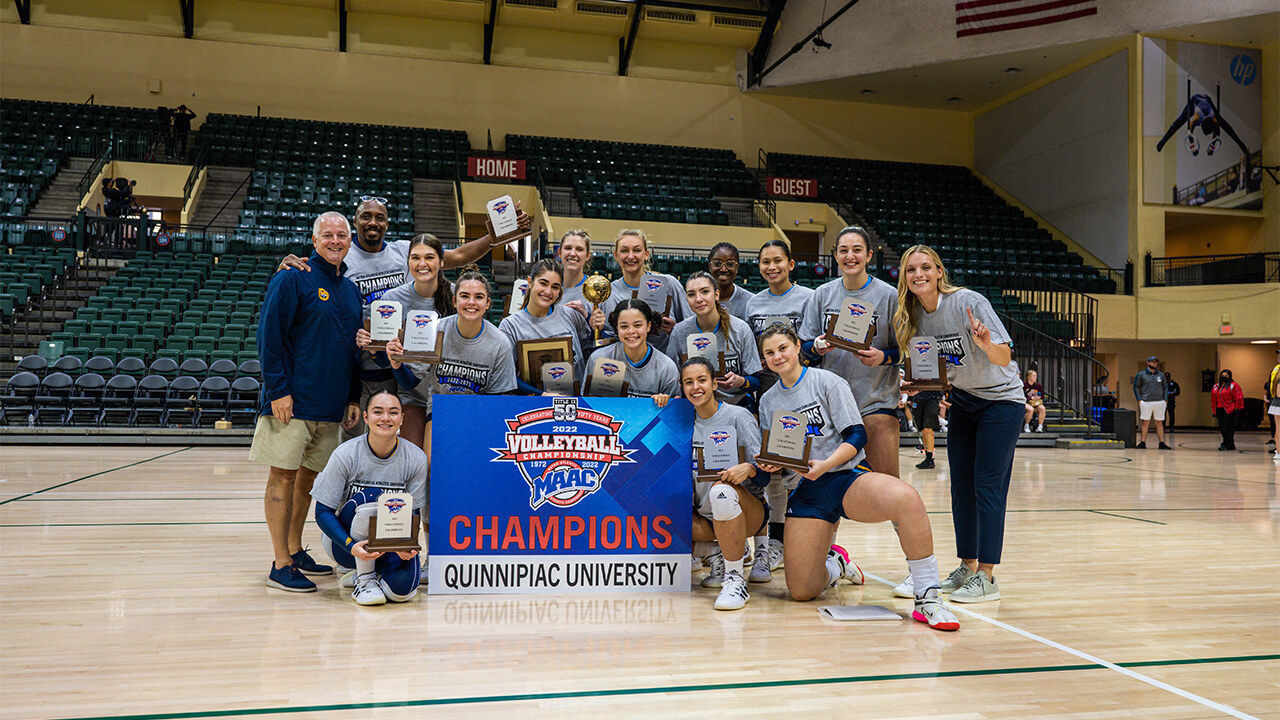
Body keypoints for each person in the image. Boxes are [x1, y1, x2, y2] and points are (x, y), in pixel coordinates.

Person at [755, 325, 958, 631]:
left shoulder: (827, 382)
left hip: (845, 477)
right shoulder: (768, 400)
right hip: (806, 491)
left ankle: (928, 596)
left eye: (782, 347)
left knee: (906, 498)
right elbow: (780, 454)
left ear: (797, 346)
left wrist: (826, 464)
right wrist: (770, 465)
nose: (777, 356)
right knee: (802, 591)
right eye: (769, 352)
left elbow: (857, 434)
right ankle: (836, 564)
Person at [278, 197, 527, 437]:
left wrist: (498, 234)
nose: (372, 222)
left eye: (379, 217)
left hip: (396, 371)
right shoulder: (343, 254)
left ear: (388, 223)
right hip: (356, 364)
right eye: (365, 217)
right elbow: (316, 270)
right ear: (355, 222)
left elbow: (460, 256)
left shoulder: (404, 251)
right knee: (348, 445)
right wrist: (292, 263)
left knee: (395, 446)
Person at [894, 245, 1022, 604]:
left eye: (925, 267)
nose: (918, 274)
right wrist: (918, 384)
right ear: (904, 278)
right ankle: (967, 566)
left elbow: (1005, 356)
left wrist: (985, 344)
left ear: (938, 271)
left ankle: (987, 575)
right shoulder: (915, 316)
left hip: (1001, 401)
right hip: (965, 400)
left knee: (987, 487)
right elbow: (940, 372)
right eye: (910, 270)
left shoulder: (968, 301)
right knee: (961, 488)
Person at [250, 212, 363, 593]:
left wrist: (351, 397)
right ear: (314, 241)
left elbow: (350, 350)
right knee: (282, 475)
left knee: (309, 480)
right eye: (327, 235)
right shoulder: (291, 277)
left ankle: (296, 551)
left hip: (330, 406)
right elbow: (269, 338)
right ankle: (280, 563)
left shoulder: (349, 289)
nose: (335, 241)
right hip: (291, 403)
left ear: (350, 241)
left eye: (341, 235)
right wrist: (278, 390)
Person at [801, 226, 901, 479]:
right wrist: (816, 346)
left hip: (875, 403)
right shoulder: (822, 295)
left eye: (857, 250)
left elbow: (906, 350)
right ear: (835, 256)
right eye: (844, 251)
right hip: (832, 408)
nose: (850, 256)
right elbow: (803, 351)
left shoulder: (889, 296)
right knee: (831, 491)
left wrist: (883, 357)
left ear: (868, 255)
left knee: (889, 487)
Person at [311, 391, 428, 605]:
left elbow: (413, 513)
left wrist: (406, 546)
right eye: (378, 412)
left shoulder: (416, 458)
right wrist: (350, 546)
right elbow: (322, 512)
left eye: (393, 413)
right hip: (346, 543)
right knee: (375, 497)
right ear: (366, 417)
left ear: (402, 418)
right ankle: (363, 578)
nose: (385, 418)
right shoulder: (345, 454)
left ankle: (372, 574)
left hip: (390, 542)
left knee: (401, 593)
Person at [745, 239, 814, 569]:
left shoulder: (808, 299)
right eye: (764, 261)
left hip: (801, 395)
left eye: (777, 260)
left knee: (801, 471)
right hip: (768, 396)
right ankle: (776, 542)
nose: (771, 267)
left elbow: (811, 346)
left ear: (791, 263)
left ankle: (812, 541)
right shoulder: (753, 303)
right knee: (773, 470)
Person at [682, 357, 769, 609]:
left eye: (701, 380)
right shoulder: (683, 420)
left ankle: (735, 579)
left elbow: (764, 478)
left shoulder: (738, 416)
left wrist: (750, 469)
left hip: (747, 512)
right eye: (688, 382)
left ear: (713, 383)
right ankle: (715, 552)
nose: (695, 387)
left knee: (721, 491)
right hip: (704, 518)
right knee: (658, 518)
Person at [373, 269, 516, 400]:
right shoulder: (435, 329)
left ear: (488, 303)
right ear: (454, 301)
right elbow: (409, 383)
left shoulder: (500, 342)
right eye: (465, 296)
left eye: (479, 297)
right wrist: (396, 363)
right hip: (440, 409)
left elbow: (499, 398)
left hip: (478, 411)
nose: (471, 302)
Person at [372, 234, 454, 452]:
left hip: (449, 393)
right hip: (412, 393)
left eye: (429, 257)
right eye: (415, 258)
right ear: (408, 262)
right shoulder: (391, 300)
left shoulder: (457, 295)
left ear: (442, 261)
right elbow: (382, 360)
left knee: (445, 463)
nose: (422, 264)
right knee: (416, 462)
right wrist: (374, 348)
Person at [666, 271, 760, 409]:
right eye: (691, 294)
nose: (698, 299)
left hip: (735, 404)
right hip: (695, 405)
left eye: (704, 292)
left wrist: (739, 381)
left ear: (716, 295)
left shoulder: (740, 329)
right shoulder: (679, 332)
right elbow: (672, 381)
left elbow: (755, 381)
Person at [498, 259, 589, 394]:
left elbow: (588, 351)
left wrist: (593, 324)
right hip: (535, 405)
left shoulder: (571, 315)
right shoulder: (510, 326)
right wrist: (541, 395)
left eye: (555, 287)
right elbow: (508, 374)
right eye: (543, 283)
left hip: (577, 401)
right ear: (530, 282)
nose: (548, 292)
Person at [597, 229, 689, 353]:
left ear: (646, 254)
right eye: (624, 251)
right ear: (616, 255)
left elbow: (692, 326)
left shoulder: (669, 284)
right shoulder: (608, 293)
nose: (630, 256)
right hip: (625, 365)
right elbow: (606, 340)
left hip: (665, 365)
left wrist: (675, 330)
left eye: (637, 250)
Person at [582, 299, 679, 400]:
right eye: (624, 326)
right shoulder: (599, 358)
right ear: (616, 327)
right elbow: (587, 405)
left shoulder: (666, 367)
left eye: (638, 325)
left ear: (648, 326)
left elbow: (672, 411)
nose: (631, 331)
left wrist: (664, 402)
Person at [1133, 355, 1171, 450]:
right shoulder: (1141, 374)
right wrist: (1139, 400)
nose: (1154, 363)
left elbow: (1165, 387)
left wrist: (1165, 399)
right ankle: (1143, 442)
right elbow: (1136, 387)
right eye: (1152, 362)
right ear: (1147, 363)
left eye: (1156, 362)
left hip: (1159, 401)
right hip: (1146, 402)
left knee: (1159, 422)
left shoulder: (1161, 375)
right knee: (1145, 422)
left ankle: (1161, 442)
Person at [706, 242, 752, 320]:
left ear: (737, 267)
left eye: (730, 264)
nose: (723, 269)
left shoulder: (750, 301)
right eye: (717, 263)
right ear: (710, 266)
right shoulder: (699, 299)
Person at [1211, 369, 1244, 452]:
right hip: (1219, 409)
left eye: (1226, 375)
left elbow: (1239, 397)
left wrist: (1237, 407)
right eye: (1222, 375)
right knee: (1222, 428)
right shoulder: (1216, 386)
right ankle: (1230, 444)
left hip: (1230, 409)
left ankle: (1226, 444)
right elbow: (1213, 398)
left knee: (1228, 428)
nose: (1224, 377)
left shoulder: (1233, 386)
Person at [912, 389, 944, 469]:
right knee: (923, 430)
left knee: (928, 429)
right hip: (919, 398)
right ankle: (927, 457)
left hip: (932, 397)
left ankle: (930, 459)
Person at [1022, 369, 1046, 433]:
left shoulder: (1038, 386)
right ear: (1029, 377)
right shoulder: (1024, 385)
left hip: (1035, 404)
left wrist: (1038, 397)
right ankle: (1026, 425)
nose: (1036, 377)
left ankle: (1040, 427)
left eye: (1036, 376)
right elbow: (1021, 395)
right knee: (1030, 409)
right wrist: (1030, 398)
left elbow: (1042, 396)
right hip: (1025, 403)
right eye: (1034, 376)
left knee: (1042, 408)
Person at [1267, 348, 1280, 457]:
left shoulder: (1276, 371)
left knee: (1278, 430)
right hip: (1278, 402)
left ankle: (1278, 452)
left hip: (1275, 403)